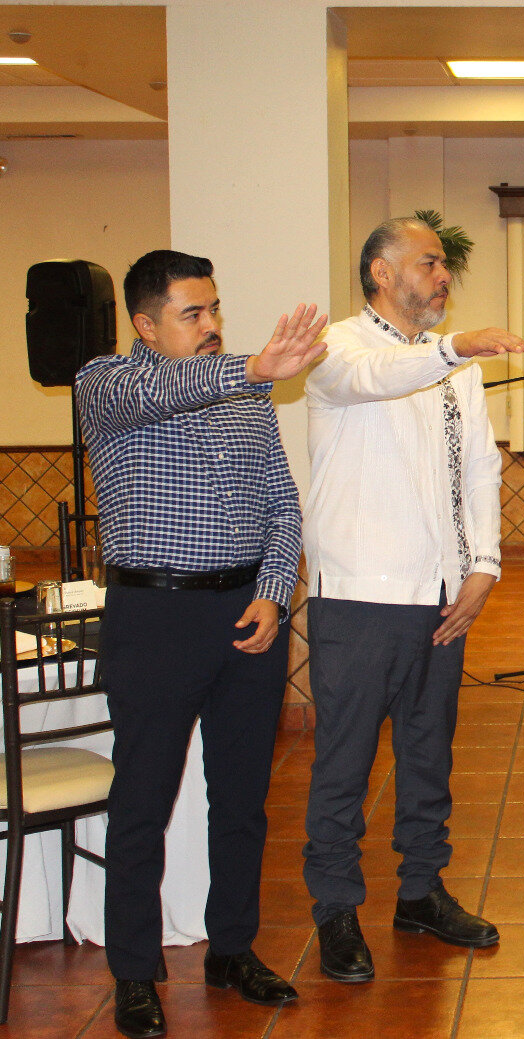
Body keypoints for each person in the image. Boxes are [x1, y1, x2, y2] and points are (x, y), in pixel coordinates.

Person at [77, 249, 326, 1038]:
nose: (213, 323)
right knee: (142, 801)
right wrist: (252, 366)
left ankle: (232, 948)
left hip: (248, 616)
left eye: (215, 307)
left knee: (243, 799)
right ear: (145, 325)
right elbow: (165, 390)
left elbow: (283, 504)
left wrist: (273, 591)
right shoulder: (107, 384)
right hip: (155, 619)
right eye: (193, 313)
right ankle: (134, 970)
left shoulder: (248, 395)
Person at [301, 217, 524, 982]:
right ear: (380, 272)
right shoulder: (336, 347)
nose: (442, 275)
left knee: (429, 755)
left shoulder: (453, 367)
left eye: (442, 265)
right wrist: (454, 347)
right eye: (428, 262)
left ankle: (421, 890)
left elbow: (480, 468)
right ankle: (336, 908)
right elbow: (375, 378)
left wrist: (483, 564)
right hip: (360, 594)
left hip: (442, 592)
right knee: (345, 762)